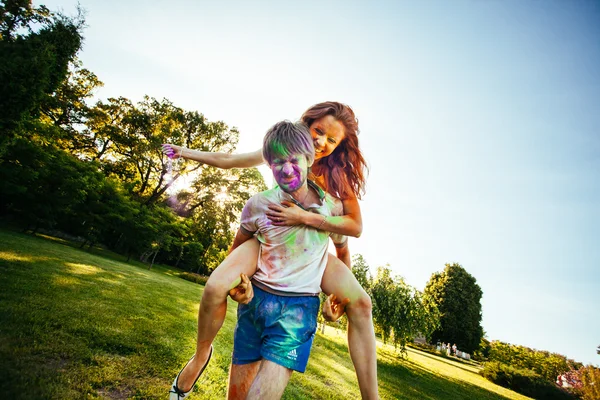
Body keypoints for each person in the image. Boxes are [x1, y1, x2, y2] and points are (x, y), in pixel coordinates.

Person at [165, 102, 377, 399]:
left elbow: (352, 229)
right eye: (318, 132)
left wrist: (304, 217)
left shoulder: (336, 178)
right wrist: (185, 152)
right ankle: (200, 356)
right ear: (307, 125)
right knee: (215, 286)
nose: (322, 143)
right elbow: (228, 159)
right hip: (270, 237)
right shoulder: (282, 149)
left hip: (310, 245)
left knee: (362, 303)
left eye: (332, 140)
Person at [226, 120, 348, 398]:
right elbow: (236, 254)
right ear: (269, 165)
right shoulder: (257, 204)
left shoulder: (330, 208)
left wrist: (337, 300)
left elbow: (342, 250)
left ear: (309, 159)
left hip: (297, 312)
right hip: (254, 306)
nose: (286, 168)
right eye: (278, 161)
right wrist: (237, 287)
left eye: (294, 159)